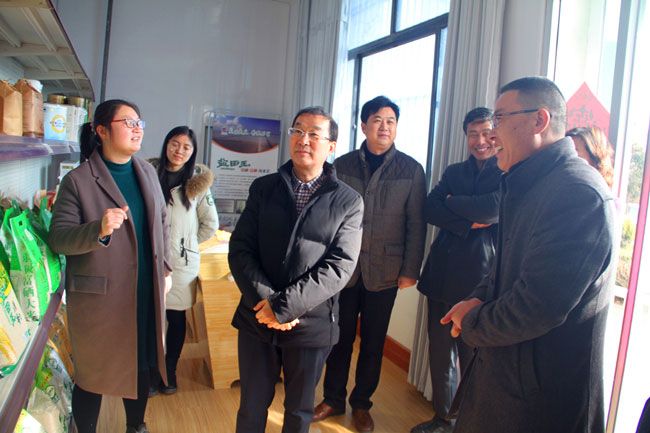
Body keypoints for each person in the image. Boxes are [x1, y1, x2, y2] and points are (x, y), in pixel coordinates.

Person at [442, 76, 616, 433]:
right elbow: (504, 267)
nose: (491, 135)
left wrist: (472, 322)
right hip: (504, 377)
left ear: (540, 120)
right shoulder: (529, 183)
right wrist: (478, 297)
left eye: (499, 119)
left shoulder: (577, 194)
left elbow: (537, 307)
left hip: (540, 399)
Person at [228, 106, 364, 433]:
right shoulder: (264, 188)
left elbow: (340, 267)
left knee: (299, 412)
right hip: (257, 315)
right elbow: (241, 248)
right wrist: (267, 303)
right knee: (251, 407)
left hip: (310, 323)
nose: (303, 139)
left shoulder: (348, 201)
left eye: (314, 134)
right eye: (298, 131)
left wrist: (283, 307)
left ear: (331, 147)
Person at [49, 99, 172, 433]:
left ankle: (136, 426)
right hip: (100, 296)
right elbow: (59, 238)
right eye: (128, 122)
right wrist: (98, 230)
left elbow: (163, 221)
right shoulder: (78, 180)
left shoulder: (147, 171)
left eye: (139, 123)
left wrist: (166, 269)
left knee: (141, 361)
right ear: (101, 131)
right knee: (93, 373)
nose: (137, 129)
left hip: (144, 289)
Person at [313, 95, 426, 432]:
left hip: (386, 272)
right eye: (377, 120)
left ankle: (362, 404)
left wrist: (410, 270)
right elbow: (326, 215)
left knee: (374, 344)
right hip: (343, 269)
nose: (384, 127)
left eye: (390, 121)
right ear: (363, 126)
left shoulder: (411, 170)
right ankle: (333, 399)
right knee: (338, 339)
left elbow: (416, 223)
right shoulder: (341, 165)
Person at [410, 107, 502, 433]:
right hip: (440, 275)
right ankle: (442, 419)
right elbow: (429, 208)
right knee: (439, 354)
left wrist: (452, 201)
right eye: (473, 134)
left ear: (497, 134)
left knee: (472, 357)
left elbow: (492, 210)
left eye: (487, 133)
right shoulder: (454, 171)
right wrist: (467, 221)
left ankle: (469, 423)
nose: (480, 140)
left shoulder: (506, 171)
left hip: (478, 279)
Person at [147, 126, 219, 396]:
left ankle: (169, 372)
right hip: (149, 260)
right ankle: (150, 372)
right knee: (150, 319)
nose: (179, 151)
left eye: (186, 147)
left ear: (193, 151)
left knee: (176, 319)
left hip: (181, 264)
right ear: (166, 144)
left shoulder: (197, 183)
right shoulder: (148, 174)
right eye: (175, 144)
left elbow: (210, 224)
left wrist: (185, 245)